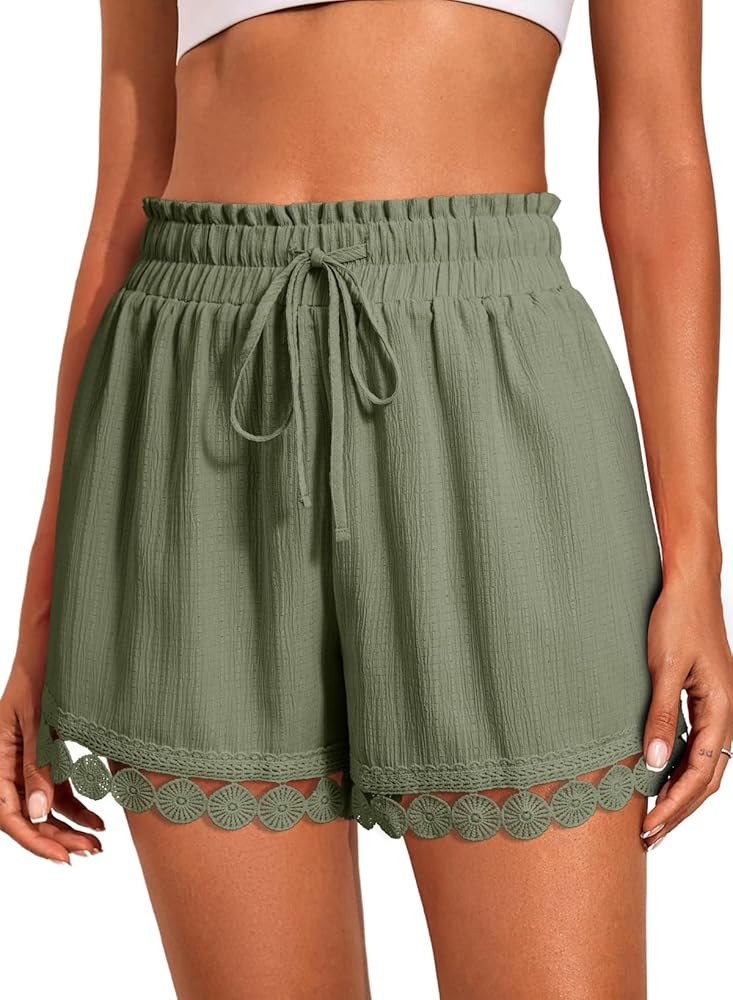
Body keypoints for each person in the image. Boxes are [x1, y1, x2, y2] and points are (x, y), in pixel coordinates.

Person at [1, 1, 731, 997]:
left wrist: (696, 559)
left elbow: (657, 154)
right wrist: (44, 602)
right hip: (195, 392)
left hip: (489, 389)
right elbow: (130, 181)